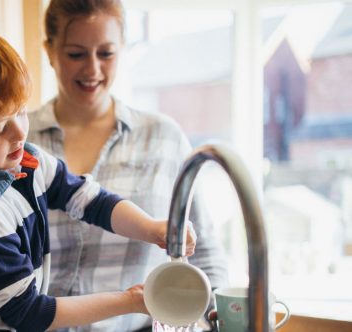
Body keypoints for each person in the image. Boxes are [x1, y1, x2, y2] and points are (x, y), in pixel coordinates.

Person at [0, 15, 196, 332]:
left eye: (21, 111)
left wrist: (151, 228)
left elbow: (91, 201)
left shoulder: (24, 160)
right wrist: (131, 300)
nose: (19, 133)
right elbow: (31, 314)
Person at [26, 0, 229, 331]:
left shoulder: (163, 138)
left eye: (106, 54)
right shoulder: (16, 140)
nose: (92, 70)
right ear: (50, 51)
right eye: (76, 54)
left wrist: (212, 317)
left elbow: (204, 251)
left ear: (122, 50)